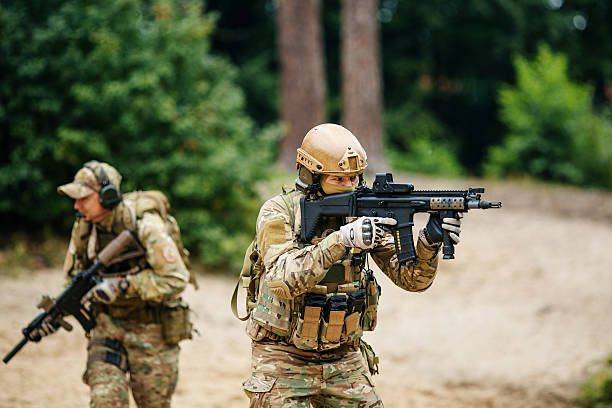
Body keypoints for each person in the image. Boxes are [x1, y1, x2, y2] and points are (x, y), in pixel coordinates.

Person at [241, 124, 461, 407]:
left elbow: (412, 280)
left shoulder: (364, 211)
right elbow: (282, 281)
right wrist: (342, 240)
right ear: (311, 176)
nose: (350, 186)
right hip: (283, 358)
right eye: (339, 179)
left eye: (355, 178)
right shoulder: (279, 212)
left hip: (344, 356)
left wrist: (429, 241)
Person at [37, 160, 192, 408]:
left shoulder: (145, 225)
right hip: (106, 327)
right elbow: (73, 279)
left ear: (108, 196)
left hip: (151, 330)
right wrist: (54, 315)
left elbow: (176, 278)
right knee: (104, 402)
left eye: (83, 198)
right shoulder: (84, 228)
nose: (76, 205)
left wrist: (122, 285)